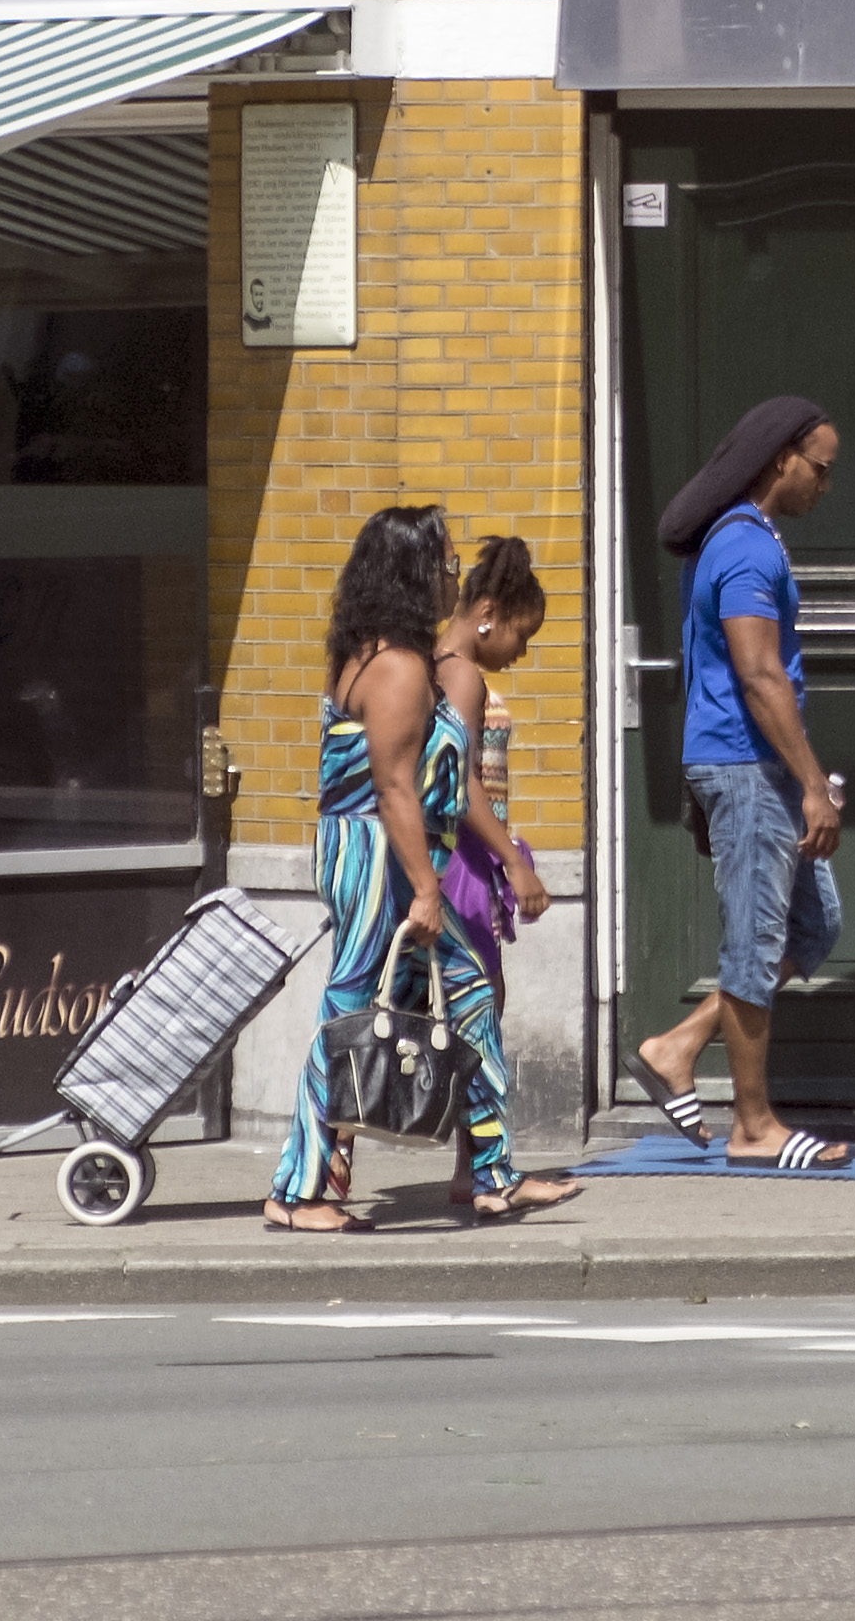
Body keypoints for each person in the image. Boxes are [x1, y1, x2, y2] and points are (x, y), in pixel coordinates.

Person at [265, 505, 547, 1231]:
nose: (451, 577)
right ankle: (299, 1189)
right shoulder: (392, 666)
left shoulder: (383, 655)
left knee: (472, 1001)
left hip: (394, 853)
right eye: (445, 565)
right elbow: (395, 787)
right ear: (411, 572)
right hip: (377, 857)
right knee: (352, 1010)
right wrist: (427, 886)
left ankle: (492, 1174)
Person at [629, 396, 854, 1171]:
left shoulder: (751, 540)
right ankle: (753, 1126)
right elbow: (759, 674)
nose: (827, 483)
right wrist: (812, 786)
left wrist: (808, 779)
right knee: (755, 944)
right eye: (821, 468)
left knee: (812, 927)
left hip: (759, 765)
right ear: (780, 458)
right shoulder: (744, 550)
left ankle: (678, 1045)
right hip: (744, 763)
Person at [431, 535, 572, 1218]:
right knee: (479, 1011)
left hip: (461, 859)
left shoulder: (445, 665)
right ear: (488, 611)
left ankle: (477, 1168)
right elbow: (457, 786)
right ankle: (486, 1173)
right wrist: (512, 862)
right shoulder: (461, 673)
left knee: (474, 1014)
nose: (522, 649)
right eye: (521, 632)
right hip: (461, 861)